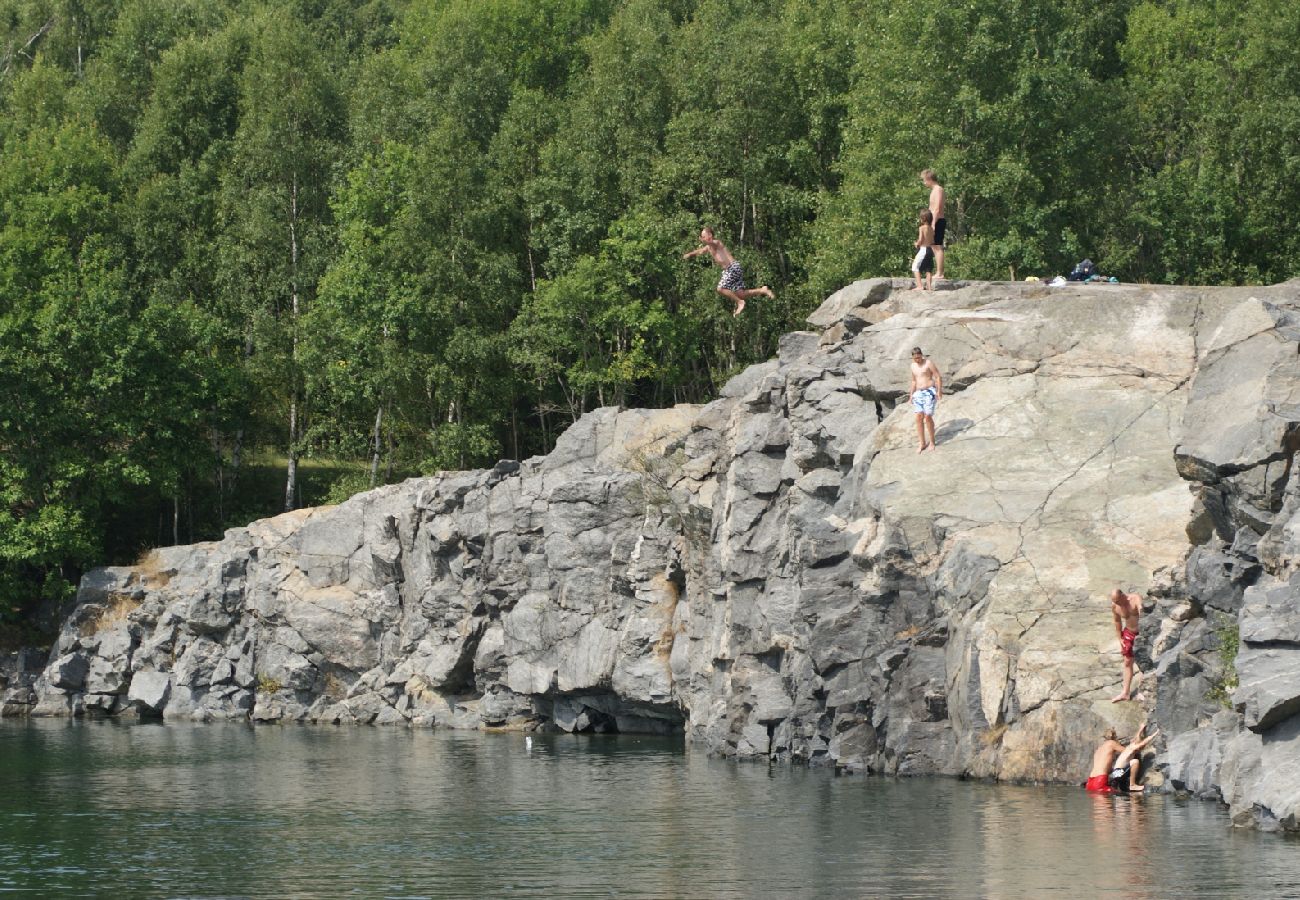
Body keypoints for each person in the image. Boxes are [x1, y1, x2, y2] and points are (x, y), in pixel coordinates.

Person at [683, 227, 774, 317]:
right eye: (702, 237)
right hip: (733, 270)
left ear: (710, 235)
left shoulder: (716, 243)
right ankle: (762, 290)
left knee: (720, 288)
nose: (702, 238)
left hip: (732, 268)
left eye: (703, 236)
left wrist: (704, 241)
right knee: (740, 294)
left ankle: (740, 302)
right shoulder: (708, 247)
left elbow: (710, 243)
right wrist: (689, 254)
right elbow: (700, 251)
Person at [1109, 588, 1142, 702]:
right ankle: (1125, 693)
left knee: (1143, 661)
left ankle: (1142, 690)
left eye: (1118, 601)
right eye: (1115, 601)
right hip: (1128, 633)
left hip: (1142, 633)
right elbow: (1117, 621)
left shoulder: (1135, 599)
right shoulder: (1115, 606)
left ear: (1123, 596)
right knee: (1127, 662)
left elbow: (1143, 613)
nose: (1117, 603)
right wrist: (1120, 639)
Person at [908, 347, 942, 453]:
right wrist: (911, 395)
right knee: (918, 417)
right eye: (915, 358)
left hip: (929, 391)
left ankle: (932, 441)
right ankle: (922, 443)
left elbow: (937, 377)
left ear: (921, 355)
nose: (917, 360)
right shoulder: (913, 366)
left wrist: (939, 391)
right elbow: (914, 381)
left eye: (918, 357)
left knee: (927, 416)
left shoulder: (928, 363)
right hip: (918, 393)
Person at [1109, 723, 1159, 793]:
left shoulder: (1130, 746)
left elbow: (1137, 738)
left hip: (1117, 774)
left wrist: (1141, 729)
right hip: (1117, 773)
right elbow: (1142, 743)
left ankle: (1123, 788)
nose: (1140, 750)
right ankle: (1132, 785)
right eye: (1140, 748)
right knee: (1135, 761)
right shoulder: (1132, 747)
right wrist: (1154, 734)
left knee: (1123, 795)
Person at [921, 169, 946, 280]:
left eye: (924, 180)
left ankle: (940, 273)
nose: (924, 183)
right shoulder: (934, 190)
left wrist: (933, 223)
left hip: (938, 221)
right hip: (934, 221)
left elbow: (937, 208)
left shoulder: (938, 189)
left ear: (929, 179)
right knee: (934, 247)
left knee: (937, 247)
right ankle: (938, 272)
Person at [1085, 728, 1125, 792]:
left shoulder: (1099, 749)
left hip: (1090, 782)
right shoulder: (1111, 743)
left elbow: (1106, 768)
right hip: (1099, 780)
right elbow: (1127, 751)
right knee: (1118, 794)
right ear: (1115, 737)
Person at [911, 210, 936, 291]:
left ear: (924, 218)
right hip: (930, 250)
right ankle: (929, 288)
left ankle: (920, 286)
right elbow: (933, 241)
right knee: (929, 269)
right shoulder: (931, 229)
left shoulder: (921, 228)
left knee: (915, 267)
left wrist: (917, 244)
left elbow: (921, 239)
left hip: (923, 249)